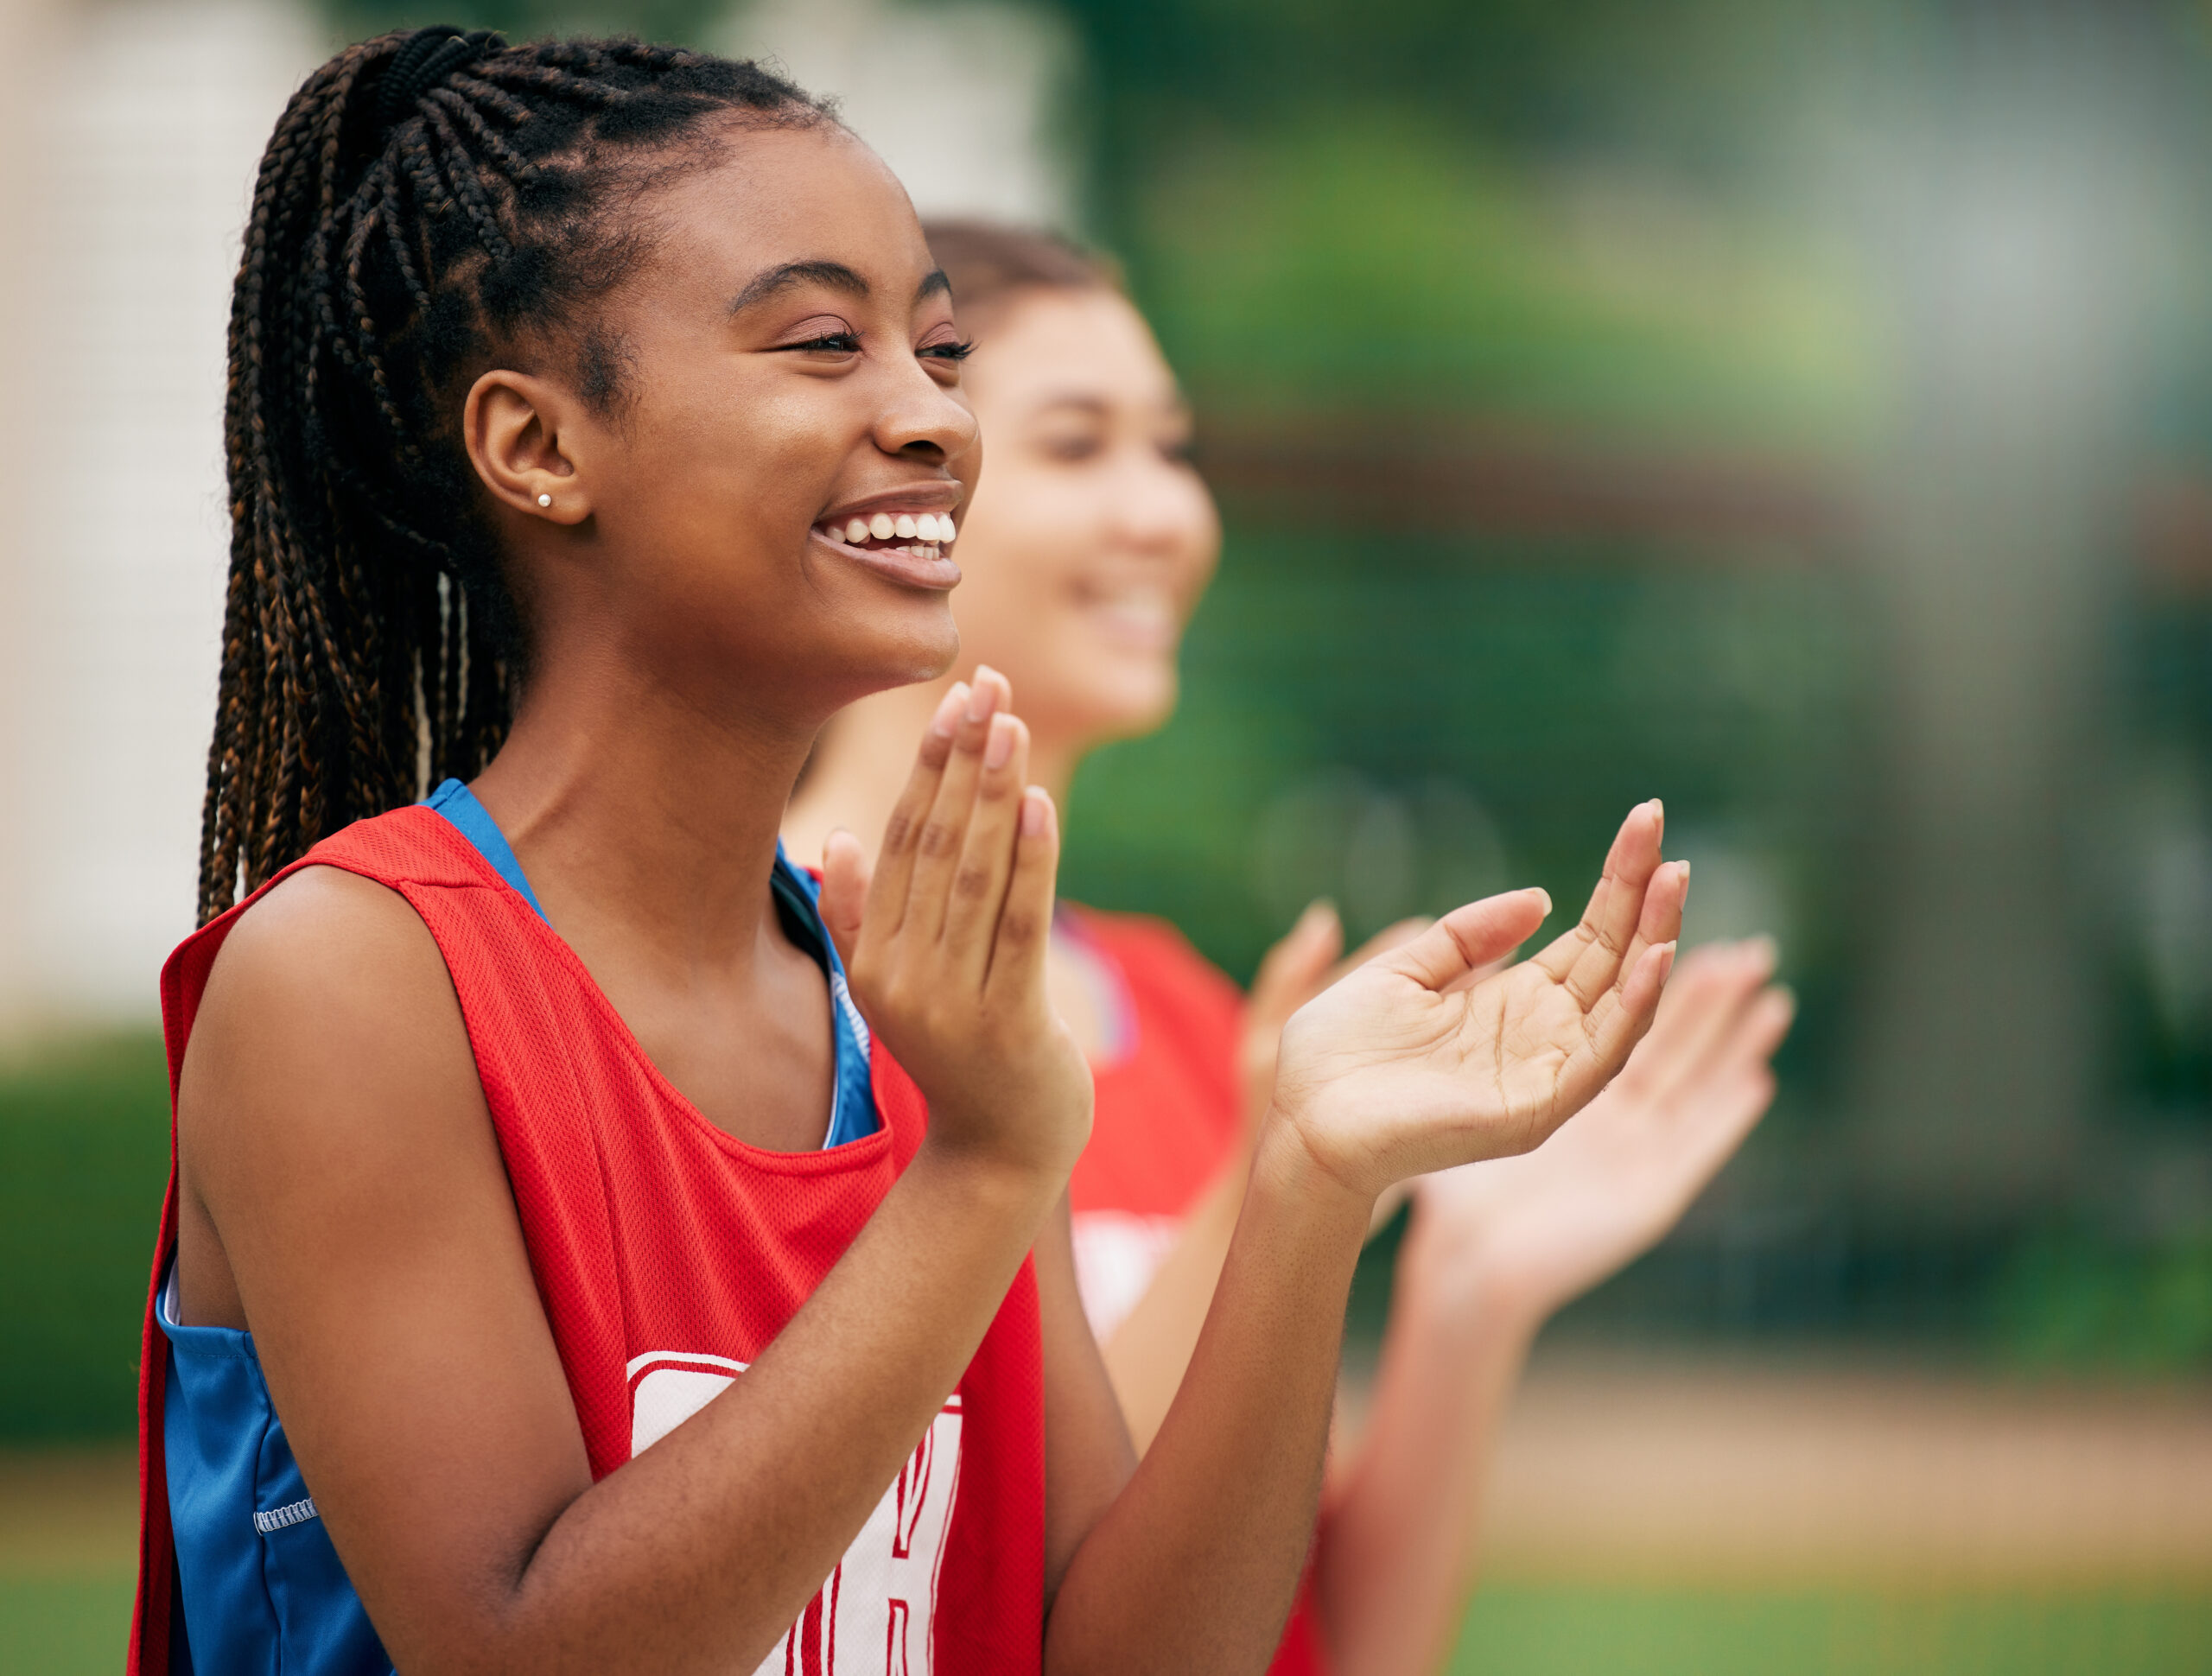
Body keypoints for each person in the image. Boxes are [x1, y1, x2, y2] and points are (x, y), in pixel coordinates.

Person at [131, 28, 1689, 1676]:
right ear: (538, 447)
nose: (935, 420)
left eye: (938, 352)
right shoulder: (361, 976)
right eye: (822, 343)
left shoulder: (910, 996)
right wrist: (985, 1165)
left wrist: (1305, 1178)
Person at [785, 222, 1796, 1676]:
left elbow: (1313, 1642)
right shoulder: (751, 983)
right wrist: (1276, 1175)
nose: (1167, 517)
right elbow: (1020, 1604)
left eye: (1173, 450)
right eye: (1079, 447)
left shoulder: (1191, 1015)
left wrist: (1465, 1289)